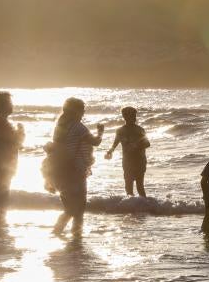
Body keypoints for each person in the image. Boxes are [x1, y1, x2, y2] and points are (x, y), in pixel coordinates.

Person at [45, 97, 103, 235]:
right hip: (75, 172)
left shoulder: (59, 127)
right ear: (76, 111)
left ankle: (58, 232)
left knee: (69, 207)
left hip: (59, 171)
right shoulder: (78, 127)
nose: (83, 113)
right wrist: (100, 132)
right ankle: (74, 236)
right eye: (82, 110)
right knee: (78, 209)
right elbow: (95, 142)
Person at [0, 91, 25, 219]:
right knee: (2, 197)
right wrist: (21, 130)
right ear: (3, 105)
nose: (12, 106)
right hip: (1, 166)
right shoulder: (1, 122)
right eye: (10, 103)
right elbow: (16, 141)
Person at [105, 107, 150, 197]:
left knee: (139, 186)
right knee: (128, 186)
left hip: (139, 161)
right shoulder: (120, 131)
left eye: (135, 115)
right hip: (127, 161)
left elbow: (147, 144)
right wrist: (110, 151)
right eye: (132, 115)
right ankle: (132, 208)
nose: (134, 118)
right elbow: (115, 144)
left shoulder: (140, 130)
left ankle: (145, 206)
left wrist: (136, 146)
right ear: (124, 117)